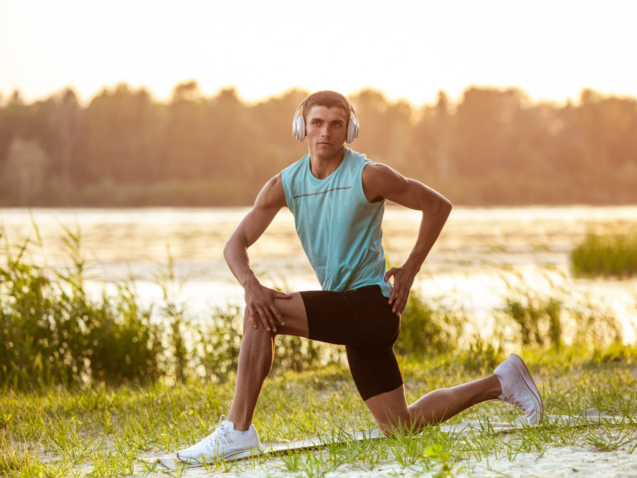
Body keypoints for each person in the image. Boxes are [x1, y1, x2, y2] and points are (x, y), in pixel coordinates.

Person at [176, 91, 543, 463]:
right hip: (347, 310)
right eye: (317, 123)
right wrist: (250, 284)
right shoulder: (285, 184)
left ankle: (237, 430)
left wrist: (410, 269)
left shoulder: (369, 175)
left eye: (337, 124)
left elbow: (437, 206)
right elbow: (234, 244)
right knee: (400, 425)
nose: (325, 133)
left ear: (349, 130)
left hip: (371, 306)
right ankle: (502, 381)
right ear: (301, 126)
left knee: (262, 314)